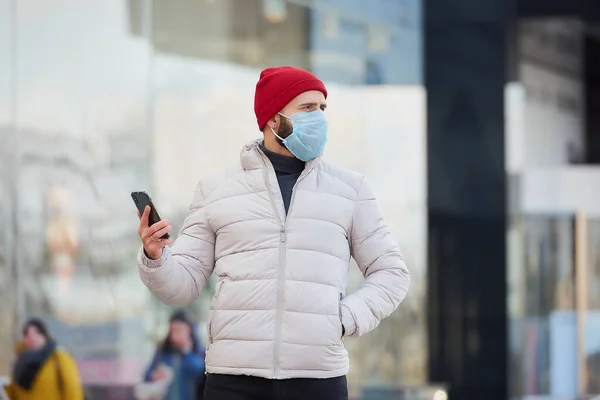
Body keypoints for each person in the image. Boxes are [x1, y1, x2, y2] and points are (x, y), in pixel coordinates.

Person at [136, 66, 410, 400]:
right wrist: (156, 256)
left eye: (322, 108)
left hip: (317, 378)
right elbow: (182, 285)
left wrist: (341, 320)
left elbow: (392, 273)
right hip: (232, 379)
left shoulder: (350, 190)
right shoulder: (216, 190)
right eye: (307, 108)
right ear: (273, 119)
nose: (319, 118)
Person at [5, 318, 84, 400]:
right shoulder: (20, 361)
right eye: (27, 335)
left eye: (37, 333)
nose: (32, 338)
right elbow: (12, 391)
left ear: (45, 335)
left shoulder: (59, 357)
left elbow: (72, 387)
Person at [143, 309, 206, 400]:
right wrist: (154, 376)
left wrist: (186, 351)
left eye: (179, 330)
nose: (175, 335)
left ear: (190, 330)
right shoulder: (163, 351)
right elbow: (147, 375)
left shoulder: (198, 351)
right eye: (172, 330)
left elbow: (199, 375)